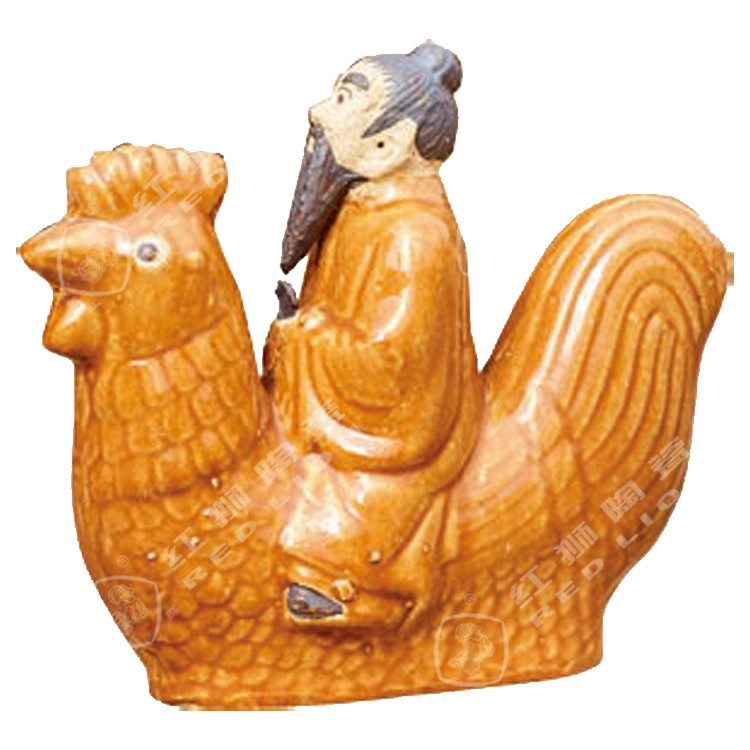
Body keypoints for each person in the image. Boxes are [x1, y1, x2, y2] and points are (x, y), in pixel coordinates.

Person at [266, 42, 483, 630]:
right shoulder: (360, 204)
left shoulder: (416, 235)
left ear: (388, 145)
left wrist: (303, 336)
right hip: (335, 390)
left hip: (393, 430)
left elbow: (395, 365)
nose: (317, 111)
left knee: (325, 525)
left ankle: (355, 596)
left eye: (343, 100)